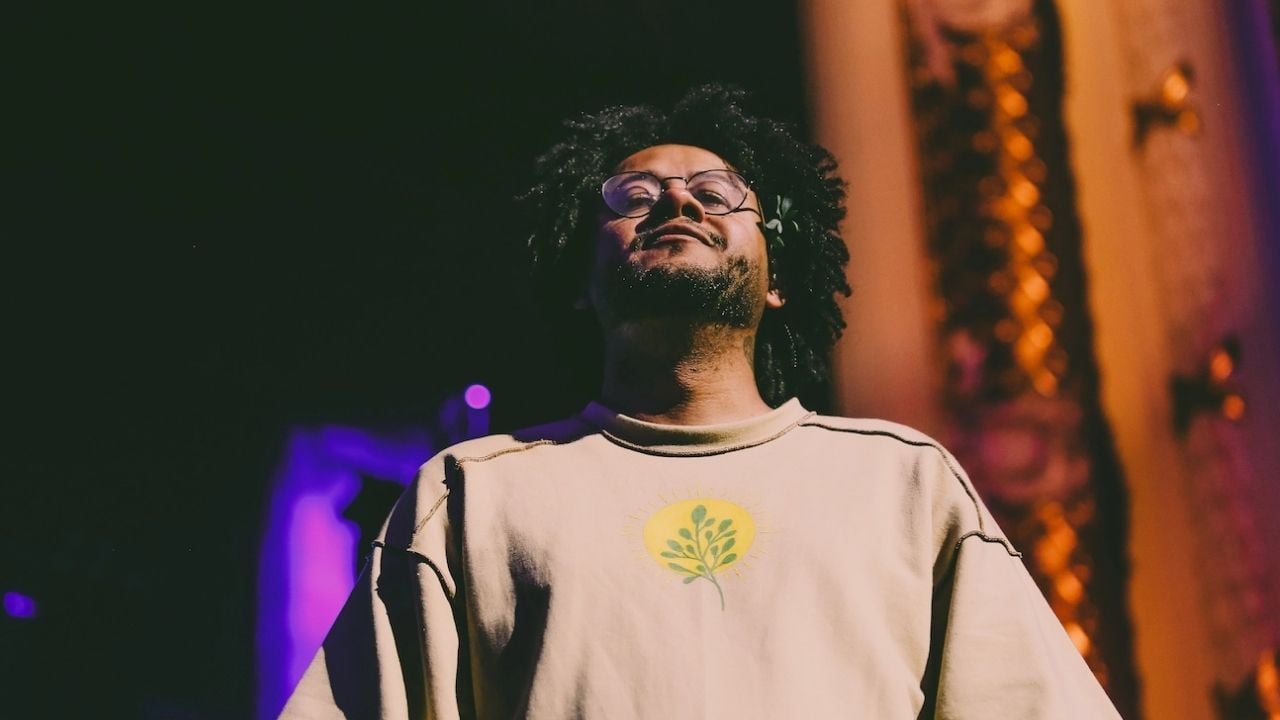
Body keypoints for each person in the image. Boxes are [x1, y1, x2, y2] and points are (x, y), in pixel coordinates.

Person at [279, 85, 1120, 719]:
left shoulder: (904, 483)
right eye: (634, 197)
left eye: (715, 195)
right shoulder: (470, 496)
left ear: (780, 278)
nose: (677, 201)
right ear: (580, 279)